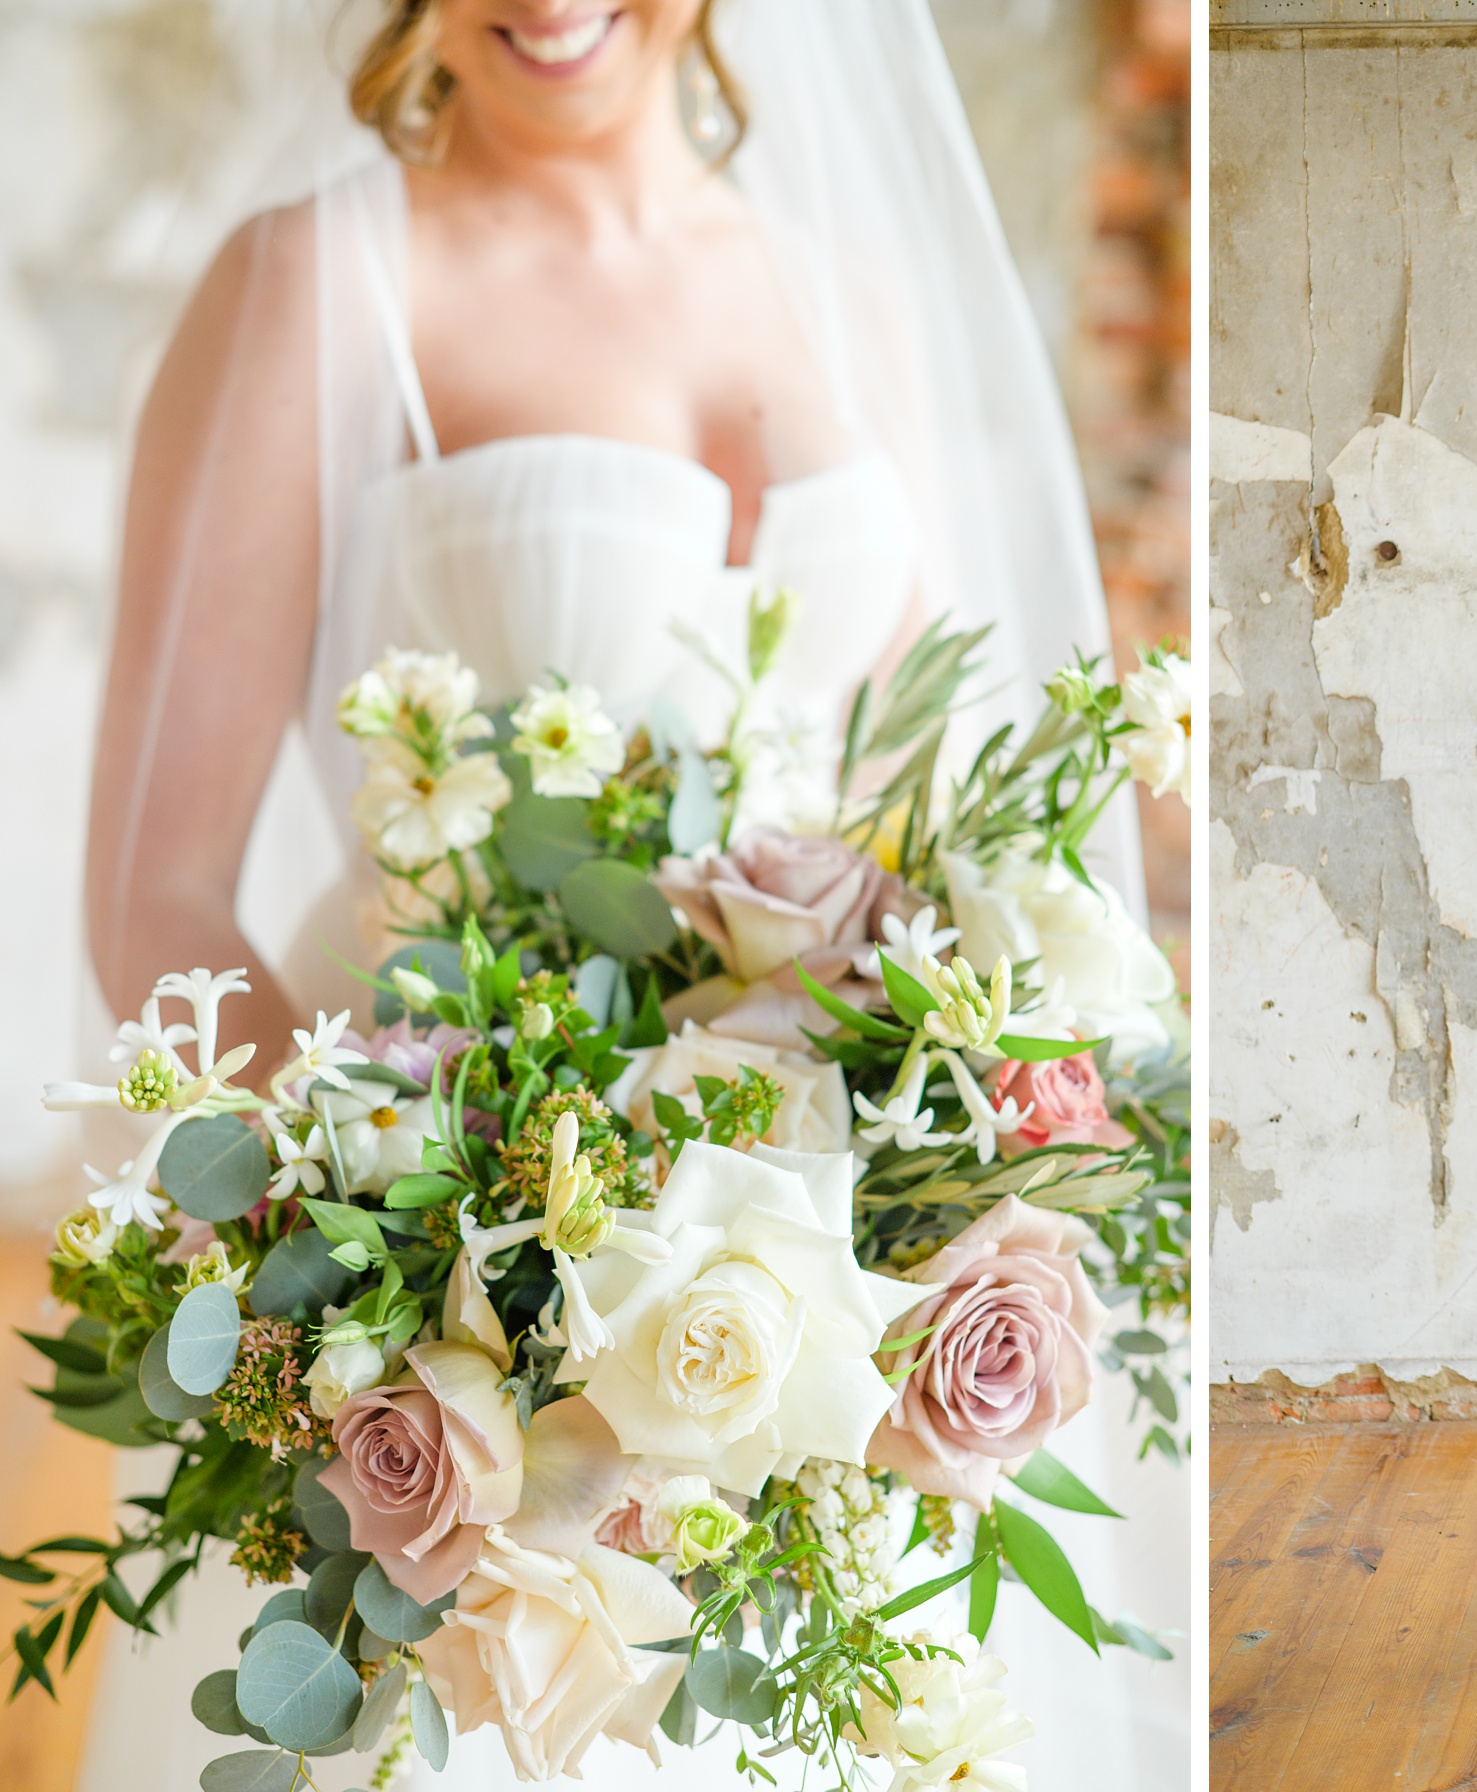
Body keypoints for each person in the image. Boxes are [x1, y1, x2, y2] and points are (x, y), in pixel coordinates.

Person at [72, 2, 1152, 1785]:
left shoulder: (843, 290)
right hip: (475, 1401)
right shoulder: (315, 286)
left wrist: (938, 1193)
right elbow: (157, 888)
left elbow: (919, 828)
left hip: (807, 1401)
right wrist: (419, 1299)